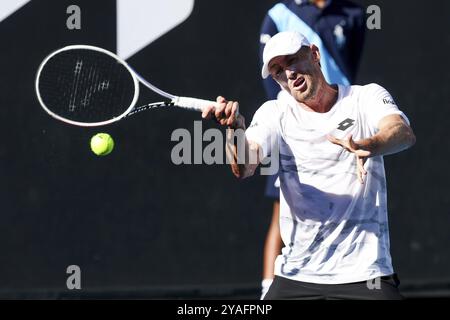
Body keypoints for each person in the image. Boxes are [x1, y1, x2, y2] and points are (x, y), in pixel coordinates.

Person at [202, 31, 415, 299]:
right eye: (278, 70)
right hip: (297, 277)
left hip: (365, 274)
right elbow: (243, 167)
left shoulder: (365, 98)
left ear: (314, 54)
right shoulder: (274, 114)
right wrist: (235, 130)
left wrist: (369, 144)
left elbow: (403, 133)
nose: (288, 74)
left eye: (292, 61)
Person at [259, 0, 366, 298]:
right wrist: (293, 120)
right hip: (294, 126)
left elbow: (348, 68)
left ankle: (349, 283)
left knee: (356, 199)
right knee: (283, 208)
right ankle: (269, 289)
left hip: (342, 124)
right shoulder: (279, 15)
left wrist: (337, 116)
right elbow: (274, 81)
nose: (289, 71)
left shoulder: (354, 14)